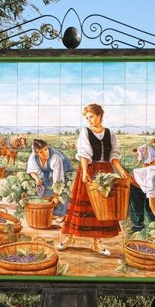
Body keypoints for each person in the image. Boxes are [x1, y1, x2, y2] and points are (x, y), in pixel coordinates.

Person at [58, 103, 128, 255]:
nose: (89, 120)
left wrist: (121, 170)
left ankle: (97, 242)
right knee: (82, 205)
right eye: (87, 118)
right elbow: (84, 154)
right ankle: (70, 237)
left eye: (92, 117)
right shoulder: (85, 132)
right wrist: (84, 172)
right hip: (89, 170)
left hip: (106, 172)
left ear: (99, 115)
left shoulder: (110, 133)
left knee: (102, 207)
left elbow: (113, 157)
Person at [26, 139, 73, 223]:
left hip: (63, 171)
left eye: (46, 149)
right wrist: (37, 179)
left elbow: (58, 180)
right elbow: (32, 170)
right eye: (41, 152)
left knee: (62, 191)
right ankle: (51, 212)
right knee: (45, 185)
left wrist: (56, 196)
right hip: (47, 171)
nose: (45, 153)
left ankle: (62, 214)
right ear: (36, 153)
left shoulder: (55, 157)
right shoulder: (33, 156)